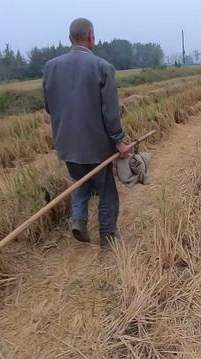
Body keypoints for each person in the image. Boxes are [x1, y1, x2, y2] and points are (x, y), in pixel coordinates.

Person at [42, 18, 131, 248]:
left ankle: (79, 220)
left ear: (71, 38)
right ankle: (108, 235)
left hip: (66, 145)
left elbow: (49, 107)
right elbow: (110, 112)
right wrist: (119, 140)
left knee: (82, 182)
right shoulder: (102, 67)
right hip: (96, 146)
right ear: (91, 35)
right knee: (106, 190)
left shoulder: (50, 67)